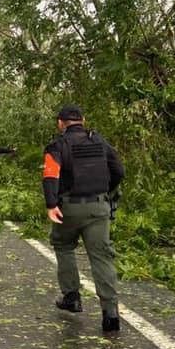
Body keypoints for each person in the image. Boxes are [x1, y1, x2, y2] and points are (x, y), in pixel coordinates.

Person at [42, 104, 125, 332]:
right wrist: (106, 192)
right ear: (83, 120)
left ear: (60, 123)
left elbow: (50, 175)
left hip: (69, 208)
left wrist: (51, 205)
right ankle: (111, 313)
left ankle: (72, 297)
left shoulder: (58, 145)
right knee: (102, 256)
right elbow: (119, 170)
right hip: (99, 208)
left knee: (63, 245)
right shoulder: (100, 142)